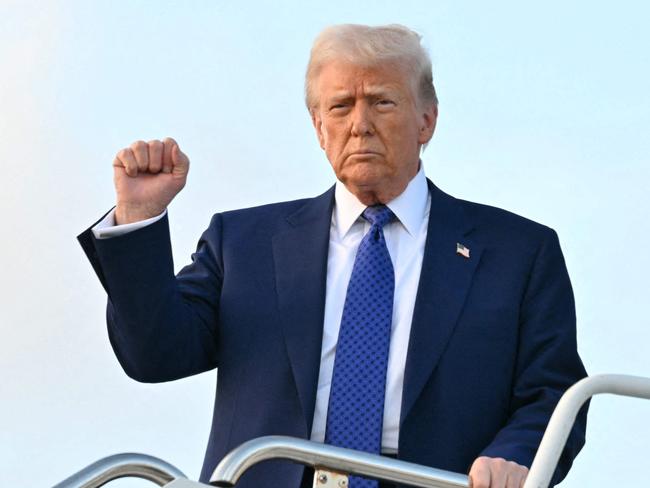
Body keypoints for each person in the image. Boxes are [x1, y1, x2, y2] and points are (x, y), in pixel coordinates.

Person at [78, 24, 588, 488]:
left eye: (383, 102)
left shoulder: (519, 252)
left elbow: (554, 395)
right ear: (319, 128)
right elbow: (154, 354)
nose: (360, 124)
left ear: (427, 120)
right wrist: (138, 220)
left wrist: (514, 457)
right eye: (341, 106)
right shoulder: (244, 242)